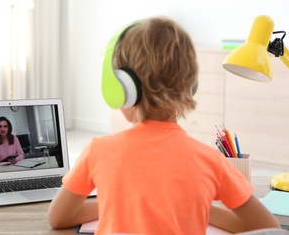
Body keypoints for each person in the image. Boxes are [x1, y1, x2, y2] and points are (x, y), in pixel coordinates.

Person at [48, 17, 280, 234]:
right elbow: (269, 228)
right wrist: (202, 210)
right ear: (191, 85)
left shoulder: (97, 151)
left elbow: (58, 217)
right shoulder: (211, 161)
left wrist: (116, 202)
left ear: (123, 87)